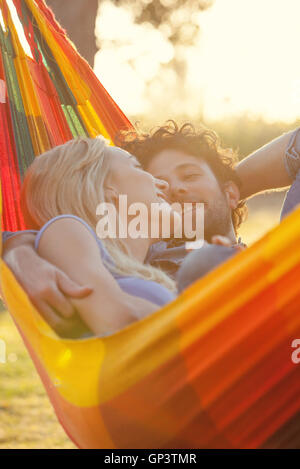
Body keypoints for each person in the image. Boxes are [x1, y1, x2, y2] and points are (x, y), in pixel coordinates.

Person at [2, 123, 300, 325]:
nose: (167, 187)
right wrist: (16, 246)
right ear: (110, 192)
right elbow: (115, 315)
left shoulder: (136, 268)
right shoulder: (146, 257)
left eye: (190, 176)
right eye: (144, 172)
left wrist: (223, 196)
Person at [6, 136, 180, 337]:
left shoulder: (141, 269)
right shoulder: (63, 231)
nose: (163, 184)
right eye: (138, 167)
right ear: (106, 189)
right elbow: (118, 319)